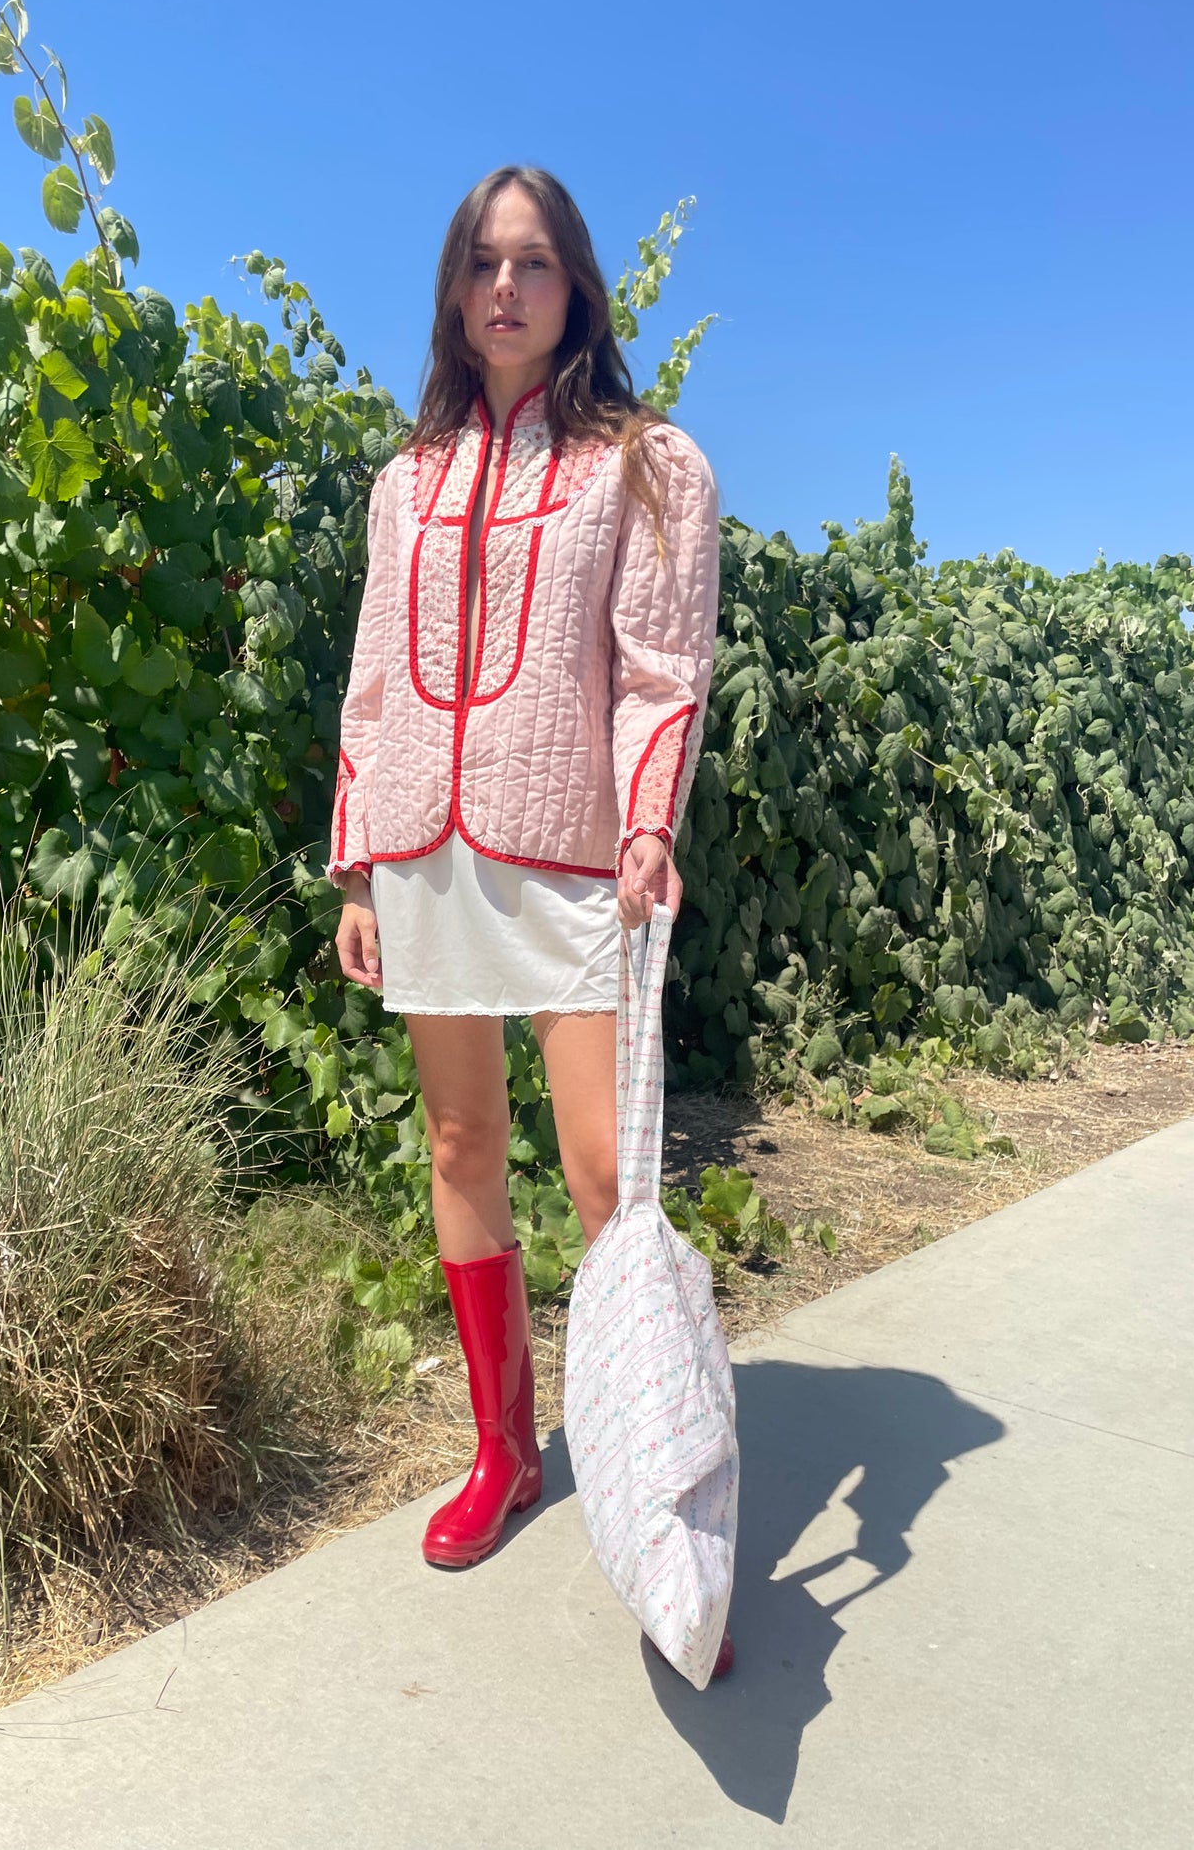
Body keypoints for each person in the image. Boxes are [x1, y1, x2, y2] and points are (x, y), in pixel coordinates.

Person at [325, 165, 732, 1677]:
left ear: (575, 289)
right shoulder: (402, 482)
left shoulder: (646, 465)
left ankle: (658, 1484)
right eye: (484, 264)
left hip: (569, 850)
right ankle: (506, 1451)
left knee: (608, 1172)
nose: (506, 289)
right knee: (456, 1146)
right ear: (453, 286)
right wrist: (357, 860)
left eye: (536, 264)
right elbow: (371, 678)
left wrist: (645, 821)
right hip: (424, 843)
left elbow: (658, 673)